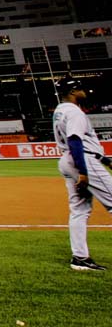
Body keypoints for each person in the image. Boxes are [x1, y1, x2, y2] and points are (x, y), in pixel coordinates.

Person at [53, 77, 112, 271]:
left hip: (68, 159)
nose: (83, 91)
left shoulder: (59, 111)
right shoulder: (74, 112)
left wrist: (104, 160)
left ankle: (80, 258)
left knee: (79, 210)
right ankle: (80, 258)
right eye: (79, 88)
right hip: (82, 160)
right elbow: (75, 140)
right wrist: (84, 172)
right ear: (72, 92)